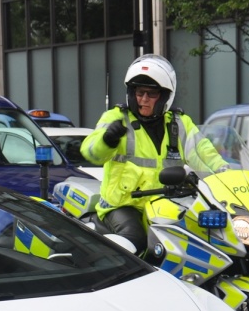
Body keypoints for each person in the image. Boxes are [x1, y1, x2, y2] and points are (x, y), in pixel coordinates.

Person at [80, 54, 222, 255]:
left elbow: (204, 153)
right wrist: (107, 140)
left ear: (164, 97)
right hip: (123, 206)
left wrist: (226, 175)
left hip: (167, 205)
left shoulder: (179, 123)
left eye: (151, 94)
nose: (143, 100)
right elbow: (90, 152)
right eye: (139, 92)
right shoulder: (117, 117)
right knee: (135, 238)